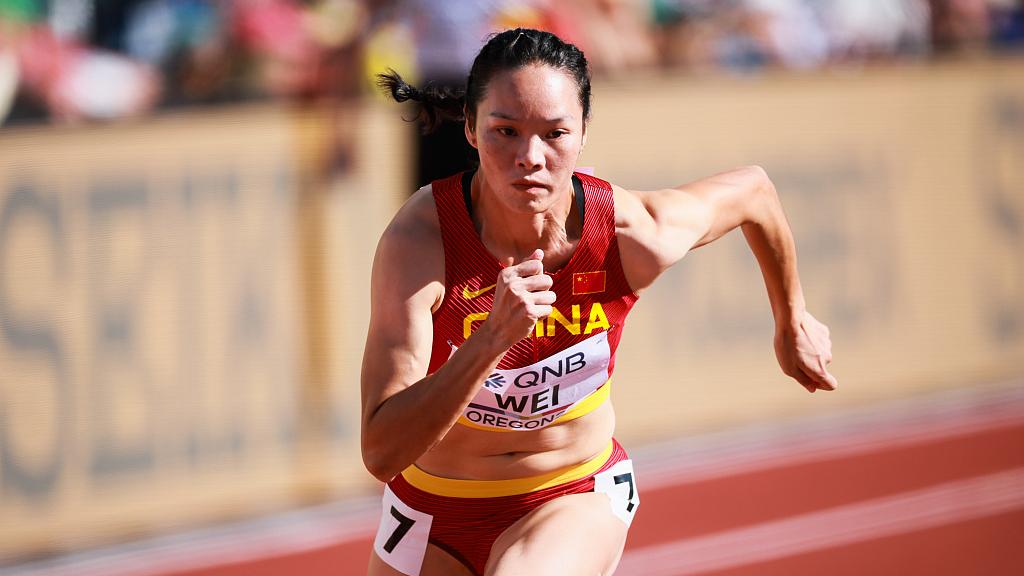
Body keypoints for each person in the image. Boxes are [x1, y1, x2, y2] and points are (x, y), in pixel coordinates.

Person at [361, 27, 837, 576]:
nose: (530, 157)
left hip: (569, 494)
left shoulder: (626, 233)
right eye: (505, 131)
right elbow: (382, 452)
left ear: (584, 132)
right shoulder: (422, 243)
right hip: (428, 510)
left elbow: (753, 190)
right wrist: (489, 341)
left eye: (554, 134)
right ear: (470, 127)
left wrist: (791, 317)